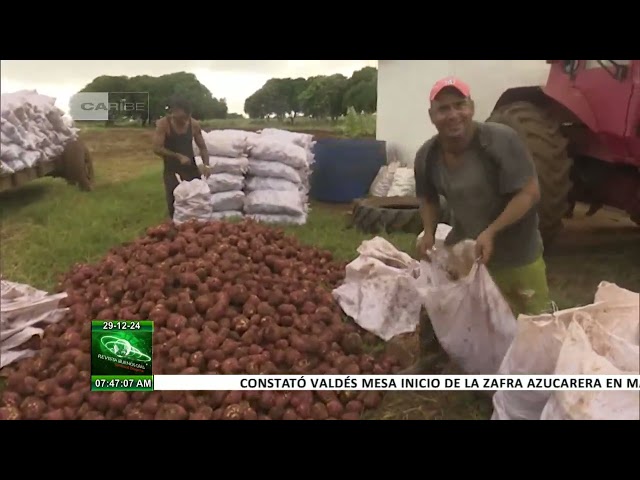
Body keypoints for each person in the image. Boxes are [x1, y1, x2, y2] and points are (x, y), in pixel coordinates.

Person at [401, 76, 553, 374]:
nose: (453, 114)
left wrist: (492, 231)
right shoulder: (427, 155)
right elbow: (427, 197)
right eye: (443, 109)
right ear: (432, 116)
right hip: (466, 246)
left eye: (460, 105)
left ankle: (530, 379)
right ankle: (432, 358)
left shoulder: (499, 140)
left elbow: (529, 192)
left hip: (515, 248)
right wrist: (429, 231)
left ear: (471, 107)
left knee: (530, 320)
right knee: (440, 298)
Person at [152, 96, 211, 218]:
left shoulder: (194, 124)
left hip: (191, 169)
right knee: (174, 201)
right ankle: (176, 226)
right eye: (182, 118)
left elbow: (203, 148)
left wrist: (206, 165)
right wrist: (178, 156)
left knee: (196, 199)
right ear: (174, 112)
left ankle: (197, 226)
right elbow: (157, 148)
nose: (185, 121)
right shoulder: (164, 124)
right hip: (172, 170)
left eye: (187, 117)